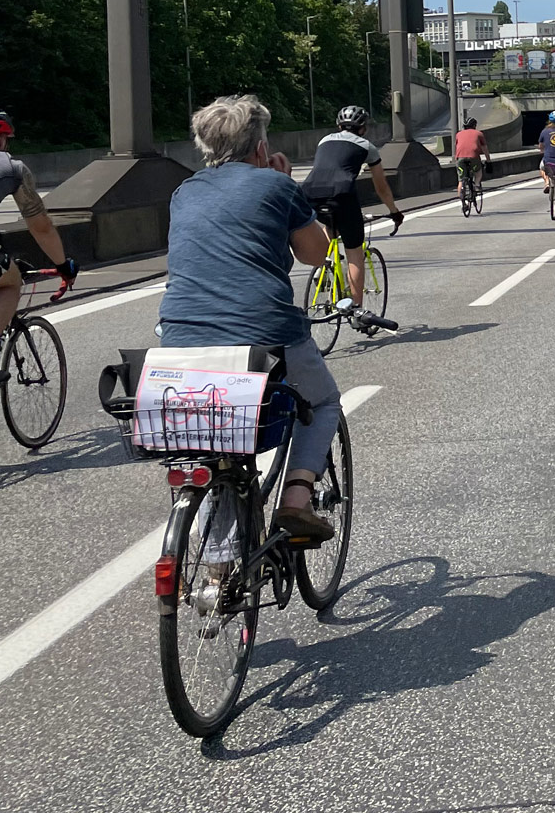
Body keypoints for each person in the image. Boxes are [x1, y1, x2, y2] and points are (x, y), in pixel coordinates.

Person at [157, 95, 345, 540]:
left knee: (204, 443)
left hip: (179, 335)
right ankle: (297, 498)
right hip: (265, 333)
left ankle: (214, 567)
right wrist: (285, 188)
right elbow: (315, 254)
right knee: (322, 403)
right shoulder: (277, 186)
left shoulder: (183, 192)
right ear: (260, 147)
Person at [0, 108, 77, 385]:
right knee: (9, 282)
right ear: (2, 139)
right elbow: (40, 226)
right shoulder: (11, 167)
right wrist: (62, 265)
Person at [300, 105, 404, 295]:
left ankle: (322, 263)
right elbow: (381, 187)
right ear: (363, 128)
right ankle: (357, 310)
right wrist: (394, 211)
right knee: (354, 252)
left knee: (331, 225)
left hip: (309, 193)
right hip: (342, 194)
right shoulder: (367, 147)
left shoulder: (324, 140)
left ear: (339, 126)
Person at [451, 117, 491, 198]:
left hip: (460, 158)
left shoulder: (458, 134)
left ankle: (463, 202)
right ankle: (476, 185)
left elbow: (457, 146)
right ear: (474, 125)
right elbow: (485, 149)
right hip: (474, 157)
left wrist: (456, 159)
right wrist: (488, 160)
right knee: (478, 171)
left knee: (461, 181)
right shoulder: (479, 133)